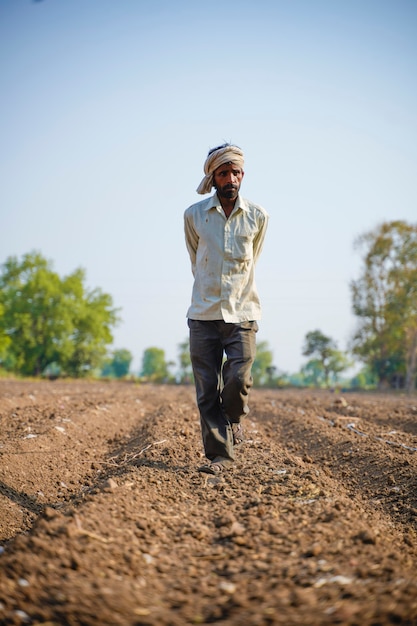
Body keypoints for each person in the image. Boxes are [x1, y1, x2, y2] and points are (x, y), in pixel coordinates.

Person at [184, 143, 269, 474]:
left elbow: (254, 260)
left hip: (243, 312)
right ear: (213, 177)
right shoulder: (194, 215)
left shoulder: (258, 217)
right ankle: (221, 456)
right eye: (223, 173)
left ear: (242, 175)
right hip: (203, 314)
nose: (230, 178)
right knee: (206, 390)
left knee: (238, 376)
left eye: (235, 172)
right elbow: (196, 259)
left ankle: (233, 416)